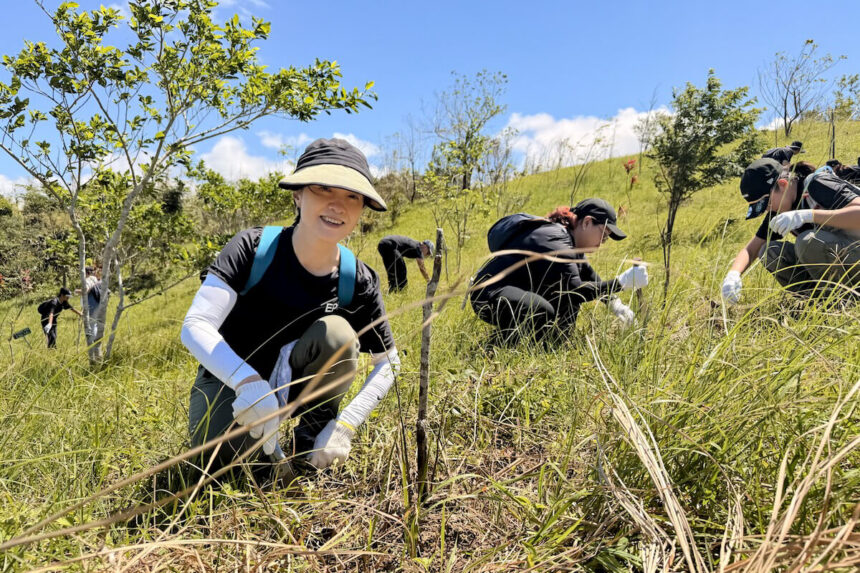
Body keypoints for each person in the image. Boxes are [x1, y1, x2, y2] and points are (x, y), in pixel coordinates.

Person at [181, 138, 400, 476]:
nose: (338, 205)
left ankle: (311, 439)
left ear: (362, 209)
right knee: (223, 462)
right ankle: (262, 458)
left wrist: (347, 425)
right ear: (298, 195)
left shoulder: (356, 279)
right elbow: (196, 324)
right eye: (324, 188)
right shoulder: (253, 249)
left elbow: (389, 363)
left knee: (338, 334)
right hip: (230, 380)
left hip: (294, 379)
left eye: (352, 196)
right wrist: (248, 383)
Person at [470, 199, 648, 344]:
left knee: (566, 299)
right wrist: (621, 283)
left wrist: (616, 305)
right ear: (587, 222)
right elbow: (574, 290)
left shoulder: (570, 244)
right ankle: (495, 346)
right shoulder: (553, 237)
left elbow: (589, 275)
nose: (602, 242)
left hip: (513, 291)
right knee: (541, 308)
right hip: (488, 293)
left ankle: (553, 344)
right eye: (603, 234)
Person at [721, 158, 860, 304]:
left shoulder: (818, 184)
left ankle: (844, 302)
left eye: (766, 203)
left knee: (808, 241)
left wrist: (809, 215)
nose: (767, 210)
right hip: (845, 262)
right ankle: (816, 302)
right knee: (770, 251)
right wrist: (733, 274)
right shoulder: (780, 209)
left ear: (782, 184)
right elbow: (752, 249)